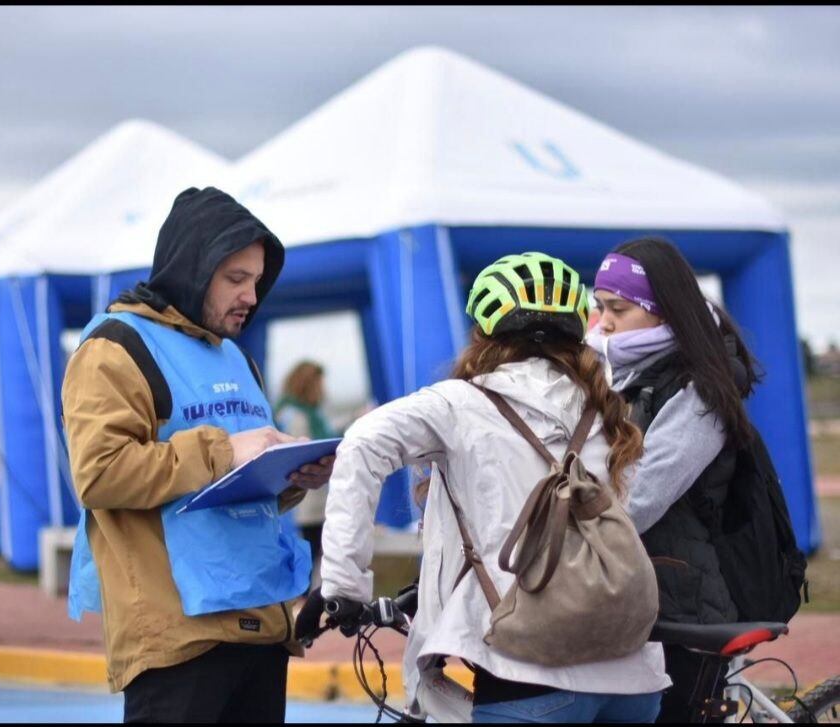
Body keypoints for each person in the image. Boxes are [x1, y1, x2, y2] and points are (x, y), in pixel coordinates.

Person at [298, 252, 670, 724]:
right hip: (633, 679)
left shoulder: (460, 403)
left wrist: (343, 587)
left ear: (484, 333)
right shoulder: (606, 409)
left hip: (525, 674)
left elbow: (363, 444)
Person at [61, 186, 334, 723]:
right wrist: (225, 450)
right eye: (236, 279)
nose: (251, 297)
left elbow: (234, 484)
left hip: (261, 623)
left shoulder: (235, 357)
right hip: (177, 636)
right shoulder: (115, 349)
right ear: (192, 268)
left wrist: (294, 473)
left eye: (257, 281)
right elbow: (100, 473)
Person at [587, 236, 762, 723]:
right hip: (632, 588)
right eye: (599, 307)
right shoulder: (619, 375)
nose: (604, 322)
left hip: (681, 605)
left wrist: (559, 539)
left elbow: (641, 495)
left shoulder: (701, 387)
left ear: (663, 311)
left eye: (618, 308)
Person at [274, 361, 338, 580]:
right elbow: (303, 452)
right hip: (303, 504)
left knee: (314, 561)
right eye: (319, 383)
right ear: (308, 384)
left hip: (314, 501)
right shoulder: (296, 416)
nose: (324, 389)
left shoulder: (310, 413)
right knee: (308, 564)